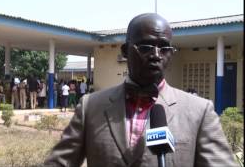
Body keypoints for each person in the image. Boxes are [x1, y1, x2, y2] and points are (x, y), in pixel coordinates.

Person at [44, 13, 236, 167]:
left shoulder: (199, 111)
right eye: (146, 47)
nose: (156, 55)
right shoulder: (90, 107)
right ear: (125, 51)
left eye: (164, 48)